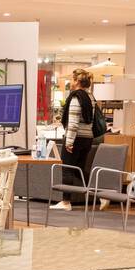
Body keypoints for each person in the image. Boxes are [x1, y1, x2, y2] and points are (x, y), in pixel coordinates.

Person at [52, 69, 96, 211]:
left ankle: (66, 202)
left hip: (75, 138)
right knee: (79, 170)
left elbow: (73, 122)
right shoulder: (90, 97)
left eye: (72, 79)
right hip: (87, 138)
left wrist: (69, 141)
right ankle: (100, 193)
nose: (70, 82)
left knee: (67, 169)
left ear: (77, 81)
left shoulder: (76, 98)